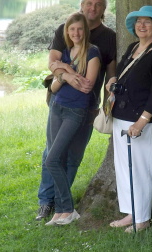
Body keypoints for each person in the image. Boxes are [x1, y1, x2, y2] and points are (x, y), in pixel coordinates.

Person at [36, 0, 117, 221]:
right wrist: (67, 76)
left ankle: (63, 203)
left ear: (103, 9)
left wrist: (105, 105)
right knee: (50, 154)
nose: (93, 8)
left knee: (73, 156)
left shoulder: (108, 38)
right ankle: (46, 202)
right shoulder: (67, 28)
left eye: (98, 4)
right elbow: (53, 62)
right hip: (59, 100)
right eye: (89, 3)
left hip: (86, 105)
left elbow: (110, 74)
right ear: (82, 5)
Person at [105, 6, 152, 233]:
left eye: (148, 22)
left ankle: (142, 218)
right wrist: (114, 78)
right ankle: (131, 212)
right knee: (124, 168)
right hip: (121, 117)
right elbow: (124, 72)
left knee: (141, 169)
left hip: (142, 121)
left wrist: (142, 122)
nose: (142, 26)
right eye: (139, 22)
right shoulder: (133, 47)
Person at [44, 12, 101, 225]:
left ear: (84, 31)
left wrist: (62, 76)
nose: (75, 33)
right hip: (57, 107)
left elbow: (86, 87)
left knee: (53, 159)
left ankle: (67, 209)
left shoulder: (92, 53)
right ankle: (61, 211)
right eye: (71, 29)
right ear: (67, 31)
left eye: (79, 29)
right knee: (54, 158)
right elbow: (53, 86)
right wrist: (67, 73)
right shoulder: (66, 53)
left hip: (75, 111)